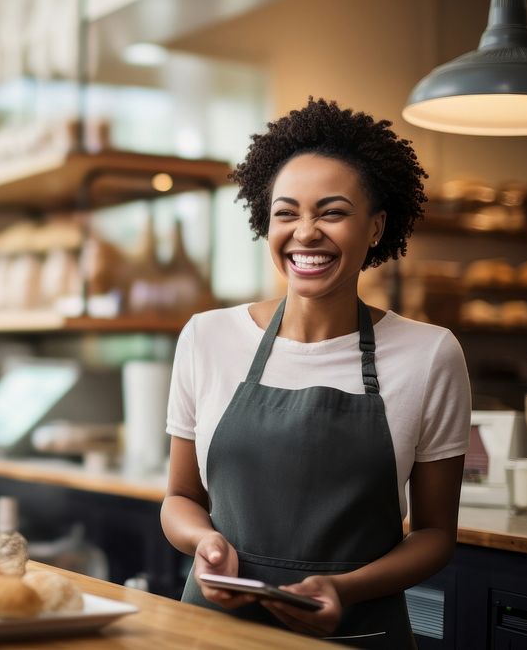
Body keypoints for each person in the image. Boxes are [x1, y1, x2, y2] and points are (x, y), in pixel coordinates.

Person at [161, 98, 470, 648]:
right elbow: (180, 498)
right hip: (211, 629)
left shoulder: (430, 354)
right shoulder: (207, 338)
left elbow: (434, 535)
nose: (306, 233)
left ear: (375, 227)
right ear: (266, 221)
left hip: (357, 631)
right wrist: (204, 543)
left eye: (332, 212)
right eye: (286, 212)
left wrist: (344, 589)